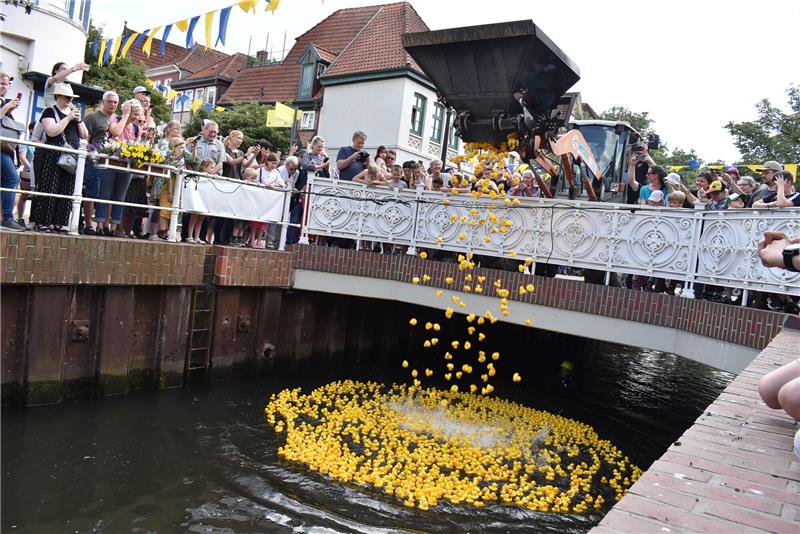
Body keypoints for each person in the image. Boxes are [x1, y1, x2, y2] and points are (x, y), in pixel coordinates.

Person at [30, 83, 88, 232]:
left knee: (67, 190)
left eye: (71, 97)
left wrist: (79, 120)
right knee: (50, 187)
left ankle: (59, 223)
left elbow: (85, 135)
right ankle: (43, 221)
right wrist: (68, 117)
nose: (69, 100)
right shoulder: (50, 111)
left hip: (71, 156)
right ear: (58, 96)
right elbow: (51, 132)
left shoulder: (74, 114)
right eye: (67, 97)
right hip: (53, 156)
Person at [93, 99, 135, 236]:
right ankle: (99, 225)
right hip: (111, 161)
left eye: (137, 114)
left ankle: (113, 227)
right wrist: (125, 116)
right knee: (105, 194)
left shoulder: (136, 127)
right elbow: (116, 132)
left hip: (126, 163)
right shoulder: (114, 119)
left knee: (119, 196)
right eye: (134, 113)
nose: (135, 117)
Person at [81, 90, 120, 235]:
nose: (113, 104)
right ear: (103, 102)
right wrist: (90, 152)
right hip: (94, 160)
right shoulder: (93, 117)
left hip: (110, 162)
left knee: (107, 194)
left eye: (115, 102)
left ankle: (104, 224)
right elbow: (85, 138)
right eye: (110, 101)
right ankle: (89, 224)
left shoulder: (117, 120)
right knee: (92, 191)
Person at [0, 70, 25, 231]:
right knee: (12, 179)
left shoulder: (4, 101)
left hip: (6, 147)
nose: (4, 87)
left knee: (5, 181)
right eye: (1, 84)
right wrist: (7, 107)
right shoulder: (4, 103)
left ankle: (5, 217)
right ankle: (7, 218)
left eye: (6, 84)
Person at [185, 159, 216, 244]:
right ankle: (190, 236)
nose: (213, 170)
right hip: (197, 200)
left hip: (205, 200)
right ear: (204, 167)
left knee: (200, 219)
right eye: (211, 168)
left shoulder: (210, 176)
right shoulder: (199, 175)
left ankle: (197, 237)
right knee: (193, 218)